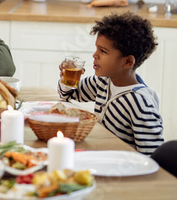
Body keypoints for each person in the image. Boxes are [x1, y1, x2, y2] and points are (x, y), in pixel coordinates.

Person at [57, 12, 163, 155]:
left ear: (127, 62)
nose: (95, 55)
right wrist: (68, 77)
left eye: (103, 51)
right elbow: (68, 94)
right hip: (101, 156)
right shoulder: (103, 81)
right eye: (96, 48)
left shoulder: (140, 103)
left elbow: (153, 156)